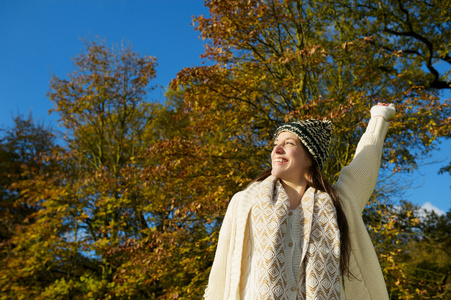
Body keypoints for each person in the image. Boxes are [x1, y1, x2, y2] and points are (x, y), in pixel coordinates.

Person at [204, 103, 396, 300]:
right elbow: (222, 269)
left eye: (289, 143)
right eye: (276, 144)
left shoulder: (338, 202)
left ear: (310, 157)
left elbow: (365, 165)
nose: (277, 149)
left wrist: (379, 117)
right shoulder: (245, 202)